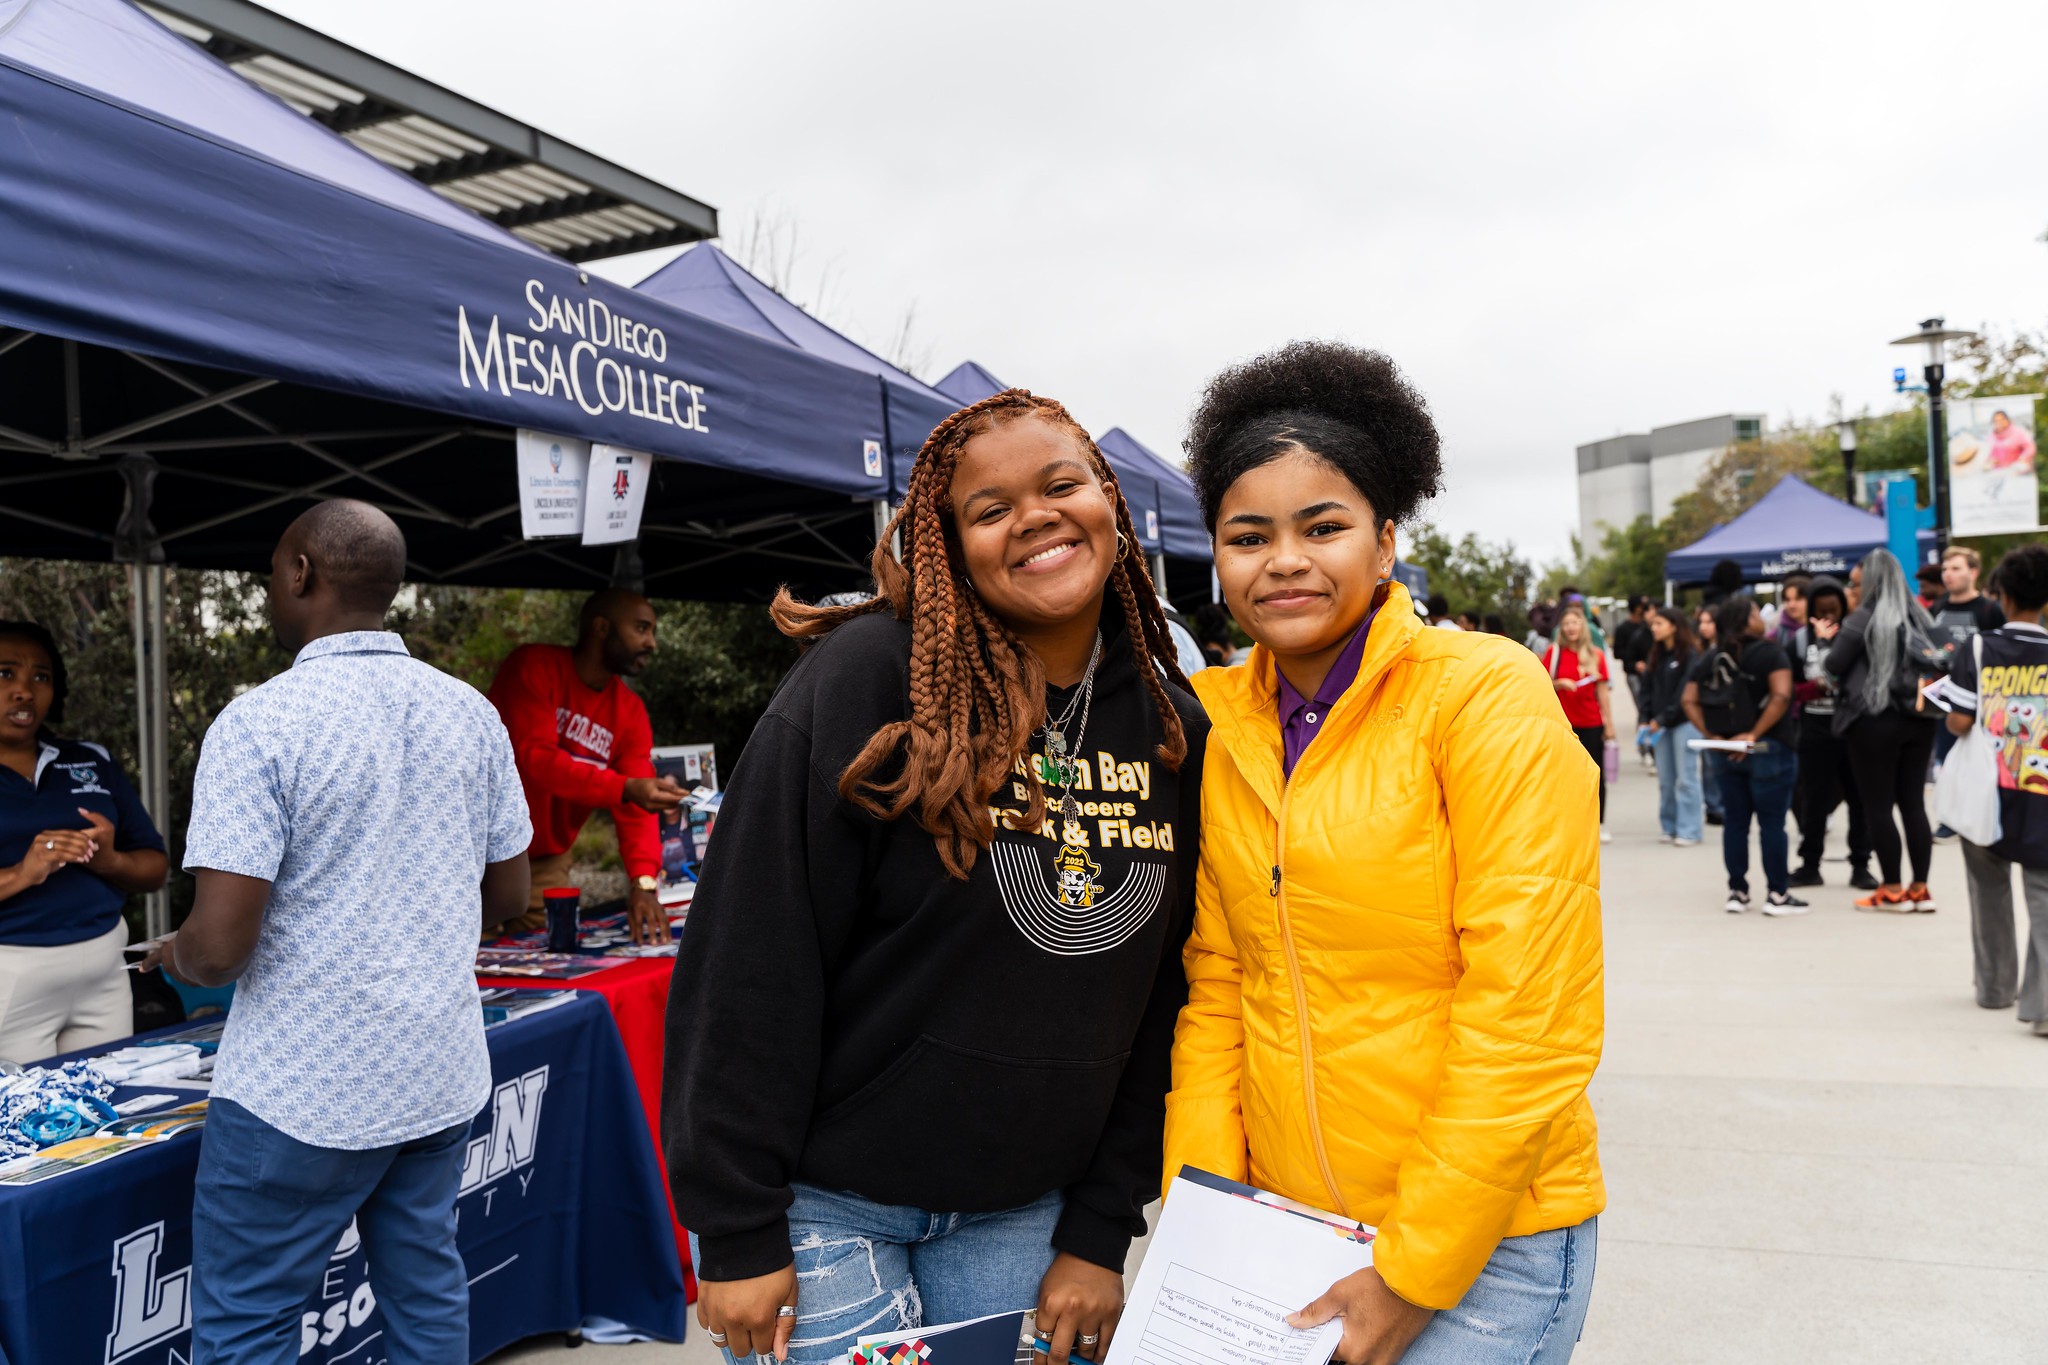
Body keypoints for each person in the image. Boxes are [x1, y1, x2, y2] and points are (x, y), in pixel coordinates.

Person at [664, 390, 1206, 1365]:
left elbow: (1164, 999)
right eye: (989, 510)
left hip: (1030, 1214)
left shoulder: (1171, 728)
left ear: (1109, 507)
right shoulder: (867, 682)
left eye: (1058, 485)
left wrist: (1099, 1228)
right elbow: (748, 955)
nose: (1033, 517)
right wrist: (735, 1226)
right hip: (829, 1207)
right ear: (949, 546)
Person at [1170, 341, 1602, 1365]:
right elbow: (1220, 987)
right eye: (1247, 535)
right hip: (1280, 1237)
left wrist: (1414, 1268)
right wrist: (1202, 1219)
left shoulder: (1481, 695)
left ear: (1384, 540)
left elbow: (1527, 1011)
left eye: (1321, 526)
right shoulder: (1217, 727)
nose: (1282, 559)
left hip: (1490, 1241)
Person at [145, 500, 533, 1364]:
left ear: (301, 574)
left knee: (248, 1326)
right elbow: (510, 892)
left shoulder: (260, 723)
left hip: (300, 1093)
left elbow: (219, 947)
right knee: (426, 1288)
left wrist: (172, 954)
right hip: (434, 1069)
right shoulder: (469, 712)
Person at [0, 621, 167, 1061]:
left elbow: (154, 868)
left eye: (41, 676)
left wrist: (107, 860)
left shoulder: (90, 760)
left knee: (105, 1112)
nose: (24, 690)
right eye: (5, 674)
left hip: (103, 968)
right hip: (11, 972)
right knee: (22, 1119)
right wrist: (21, 873)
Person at [487, 590, 686, 945]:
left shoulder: (629, 710)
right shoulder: (534, 666)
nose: (651, 643)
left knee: (546, 958)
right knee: (468, 962)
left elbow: (639, 806)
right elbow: (535, 760)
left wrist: (644, 882)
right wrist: (625, 787)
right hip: (480, 852)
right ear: (601, 627)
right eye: (642, 628)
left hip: (546, 859)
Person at [1943, 543, 2048, 1033]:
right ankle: (2043, 1007)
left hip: (1989, 792)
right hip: (2042, 791)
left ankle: (1994, 988)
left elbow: (1961, 722)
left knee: (1988, 889)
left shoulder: (1979, 648)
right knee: (2043, 896)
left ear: (2001, 595)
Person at [1825, 548, 1942, 913]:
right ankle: (1920, 889)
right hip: (1919, 720)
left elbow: (1833, 665)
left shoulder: (1862, 619)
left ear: (1871, 581)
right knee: (1913, 805)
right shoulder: (1921, 617)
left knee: (1878, 806)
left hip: (1873, 721)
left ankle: (1891, 889)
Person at [1683, 596, 1803, 914]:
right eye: (1755, 613)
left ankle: (1737, 891)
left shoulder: (1710, 657)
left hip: (1723, 751)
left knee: (1735, 823)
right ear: (1745, 620)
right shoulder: (1770, 652)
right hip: (1769, 748)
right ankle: (1777, 894)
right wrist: (1754, 733)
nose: (1762, 618)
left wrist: (1712, 736)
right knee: (1772, 824)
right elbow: (1780, 695)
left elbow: (1688, 700)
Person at [1787, 578, 1876, 890]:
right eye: (1820, 608)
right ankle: (1810, 864)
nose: (1827, 613)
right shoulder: (1799, 641)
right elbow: (1790, 689)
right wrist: (1817, 687)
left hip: (1851, 729)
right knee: (1814, 800)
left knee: (1859, 799)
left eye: (1833, 607)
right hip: (1814, 730)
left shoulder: (1854, 637)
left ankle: (1861, 864)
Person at [1543, 605, 1615, 841]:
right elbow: (1541, 685)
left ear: (1583, 626)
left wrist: (1609, 723)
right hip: (1563, 723)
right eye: (1566, 624)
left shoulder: (1596, 655)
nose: (1571, 627)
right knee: (1565, 774)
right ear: (1560, 629)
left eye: (1575, 622)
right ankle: (1569, 823)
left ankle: (1599, 822)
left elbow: (1603, 691)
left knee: (1595, 773)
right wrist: (1559, 683)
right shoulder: (1554, 653)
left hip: (1592, 721)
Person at [1641, 606, 1703, 847]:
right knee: (1666, 780)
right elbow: (1646, 689)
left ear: (1674, 626)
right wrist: (1645, 717)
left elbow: (1683, 693)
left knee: (1686, 779)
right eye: (1653, 624)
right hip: (1659, 726)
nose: (1654, 628)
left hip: (1683, 724)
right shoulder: (1656, 655)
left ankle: (1690, 830)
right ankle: (1670, 826)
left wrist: (1663, 719)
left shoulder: (1689, 654)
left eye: (1659, 624)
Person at [1696, 605, 1724, 826]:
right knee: (1708, 763)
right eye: (1702, 622)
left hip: (1724, 711)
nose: (1704, 627)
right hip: (1705, 713)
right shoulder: (1700, 651)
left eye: (1709, 622)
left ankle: (1721, 804)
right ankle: (1713, 806)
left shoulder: (1727, 650)